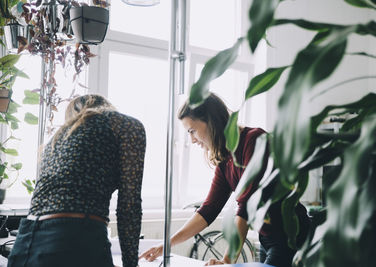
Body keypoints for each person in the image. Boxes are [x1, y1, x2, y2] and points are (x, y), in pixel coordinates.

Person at [139, 93, 309, 267]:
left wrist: (227, 261)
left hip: (292, 236)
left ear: (210, 121)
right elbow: (208, 210)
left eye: (192, 131)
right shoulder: (225, 159)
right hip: (267, 238)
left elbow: (247, 205)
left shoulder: (254, 140)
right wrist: (166, 245)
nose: (192, 139)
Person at [7, 94, 146, 267]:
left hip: (26, 241)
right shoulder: (125, 125)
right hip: (76, 237)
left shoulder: (55, 140)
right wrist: (131, 264)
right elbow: (129, 205)